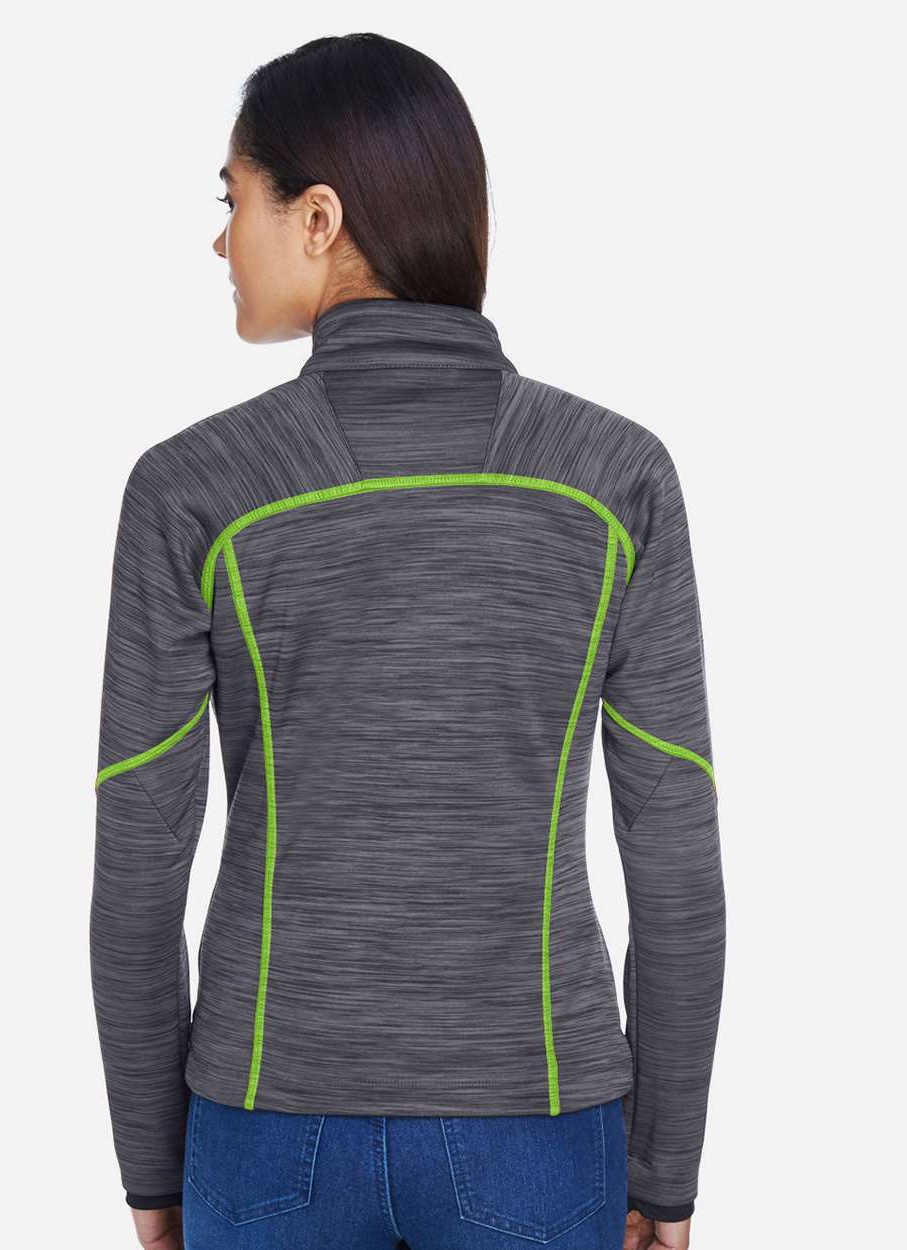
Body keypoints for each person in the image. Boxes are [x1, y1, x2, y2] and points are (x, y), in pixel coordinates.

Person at [90, 32, 726, 1250]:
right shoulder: (613, 479)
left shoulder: (195, 487)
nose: (221, 243)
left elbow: (138, 860)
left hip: (265, 1125)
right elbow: (674, 853)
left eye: (233, 201)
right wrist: (666, 1170)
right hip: (540, 1123)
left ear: (318, 216)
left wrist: (154, 1167)